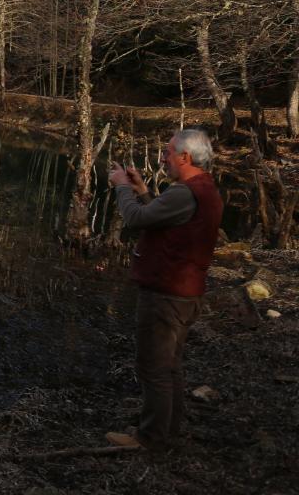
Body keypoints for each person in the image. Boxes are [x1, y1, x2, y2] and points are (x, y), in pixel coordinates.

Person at [104, 128, 223, 451]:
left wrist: (123, 188)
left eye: (167, 153)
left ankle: (150, 439)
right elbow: (163, 218)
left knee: (153, 366)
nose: (162, 158)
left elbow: (135, 219)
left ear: (185, 157)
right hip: (185, 292)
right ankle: (168, 429)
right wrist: (143, 190)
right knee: (169, 364)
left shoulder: (185, 192)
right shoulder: (202, 189)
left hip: (167, 293)